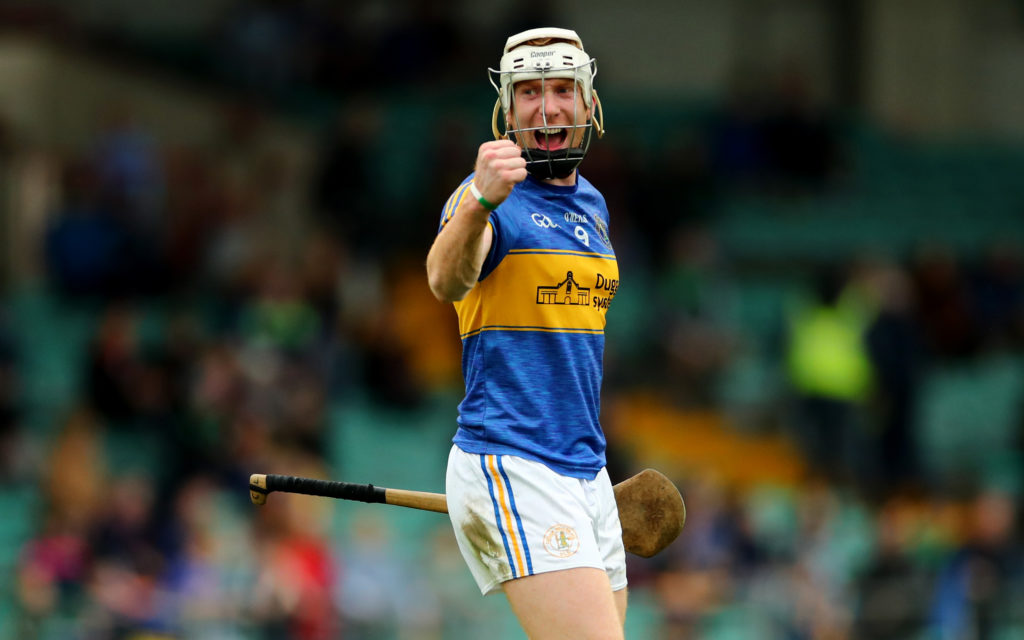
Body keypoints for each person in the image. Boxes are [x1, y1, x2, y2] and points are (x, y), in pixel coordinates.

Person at [425, 27, 625, 639]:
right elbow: (444, 280)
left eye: (563, 90)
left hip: (586, 471)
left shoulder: (593, 205)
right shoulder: (488, 198)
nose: (548, 108)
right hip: (515, 459)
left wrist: (591, 487)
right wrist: (479, 203)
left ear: (589, 103)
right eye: (530, 93)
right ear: (507, 113)